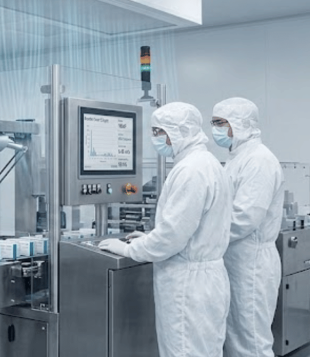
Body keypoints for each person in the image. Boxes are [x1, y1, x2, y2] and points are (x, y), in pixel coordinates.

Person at [98, 102, 231, 357]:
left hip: (188, 286)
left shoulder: (190, 170)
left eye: (159, 131)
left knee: (184, 350)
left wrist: (129, 248)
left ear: (178, 131)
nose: (155, 138)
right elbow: (189, 227)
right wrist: (149, 238)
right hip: (206, 280)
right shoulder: (207, 162)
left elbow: (172, 237)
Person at [211, 97, 284, 357]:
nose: (215, 130)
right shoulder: (238, 157)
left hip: (250, 263)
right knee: (237, 338)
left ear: (240, 124)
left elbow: (243, 218)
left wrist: (199, 236)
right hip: (235, 259)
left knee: (251, 342)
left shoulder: (259, 160)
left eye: (220, 123)